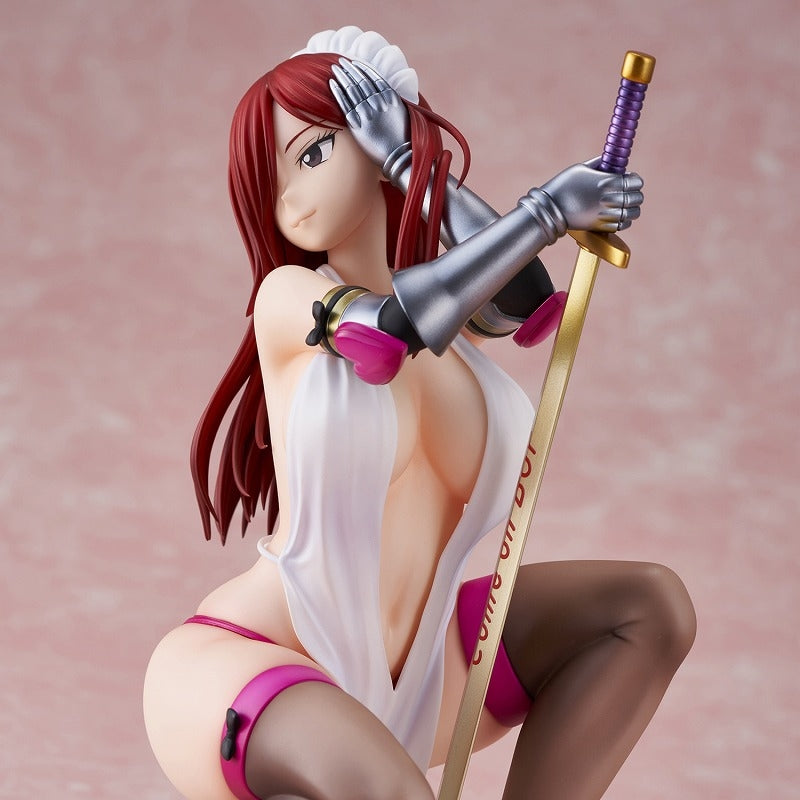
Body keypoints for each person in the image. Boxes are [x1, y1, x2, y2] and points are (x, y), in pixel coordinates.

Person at [143, 27, 695, 800]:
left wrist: (408, 153)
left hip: (422, 681)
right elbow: (388, 336)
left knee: (646, 608)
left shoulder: (459, 328)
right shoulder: (290, 299)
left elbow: (526, 300)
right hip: (251, 665)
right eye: (269, 177)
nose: (289, 197)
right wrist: (547, 210)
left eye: (311, 153)